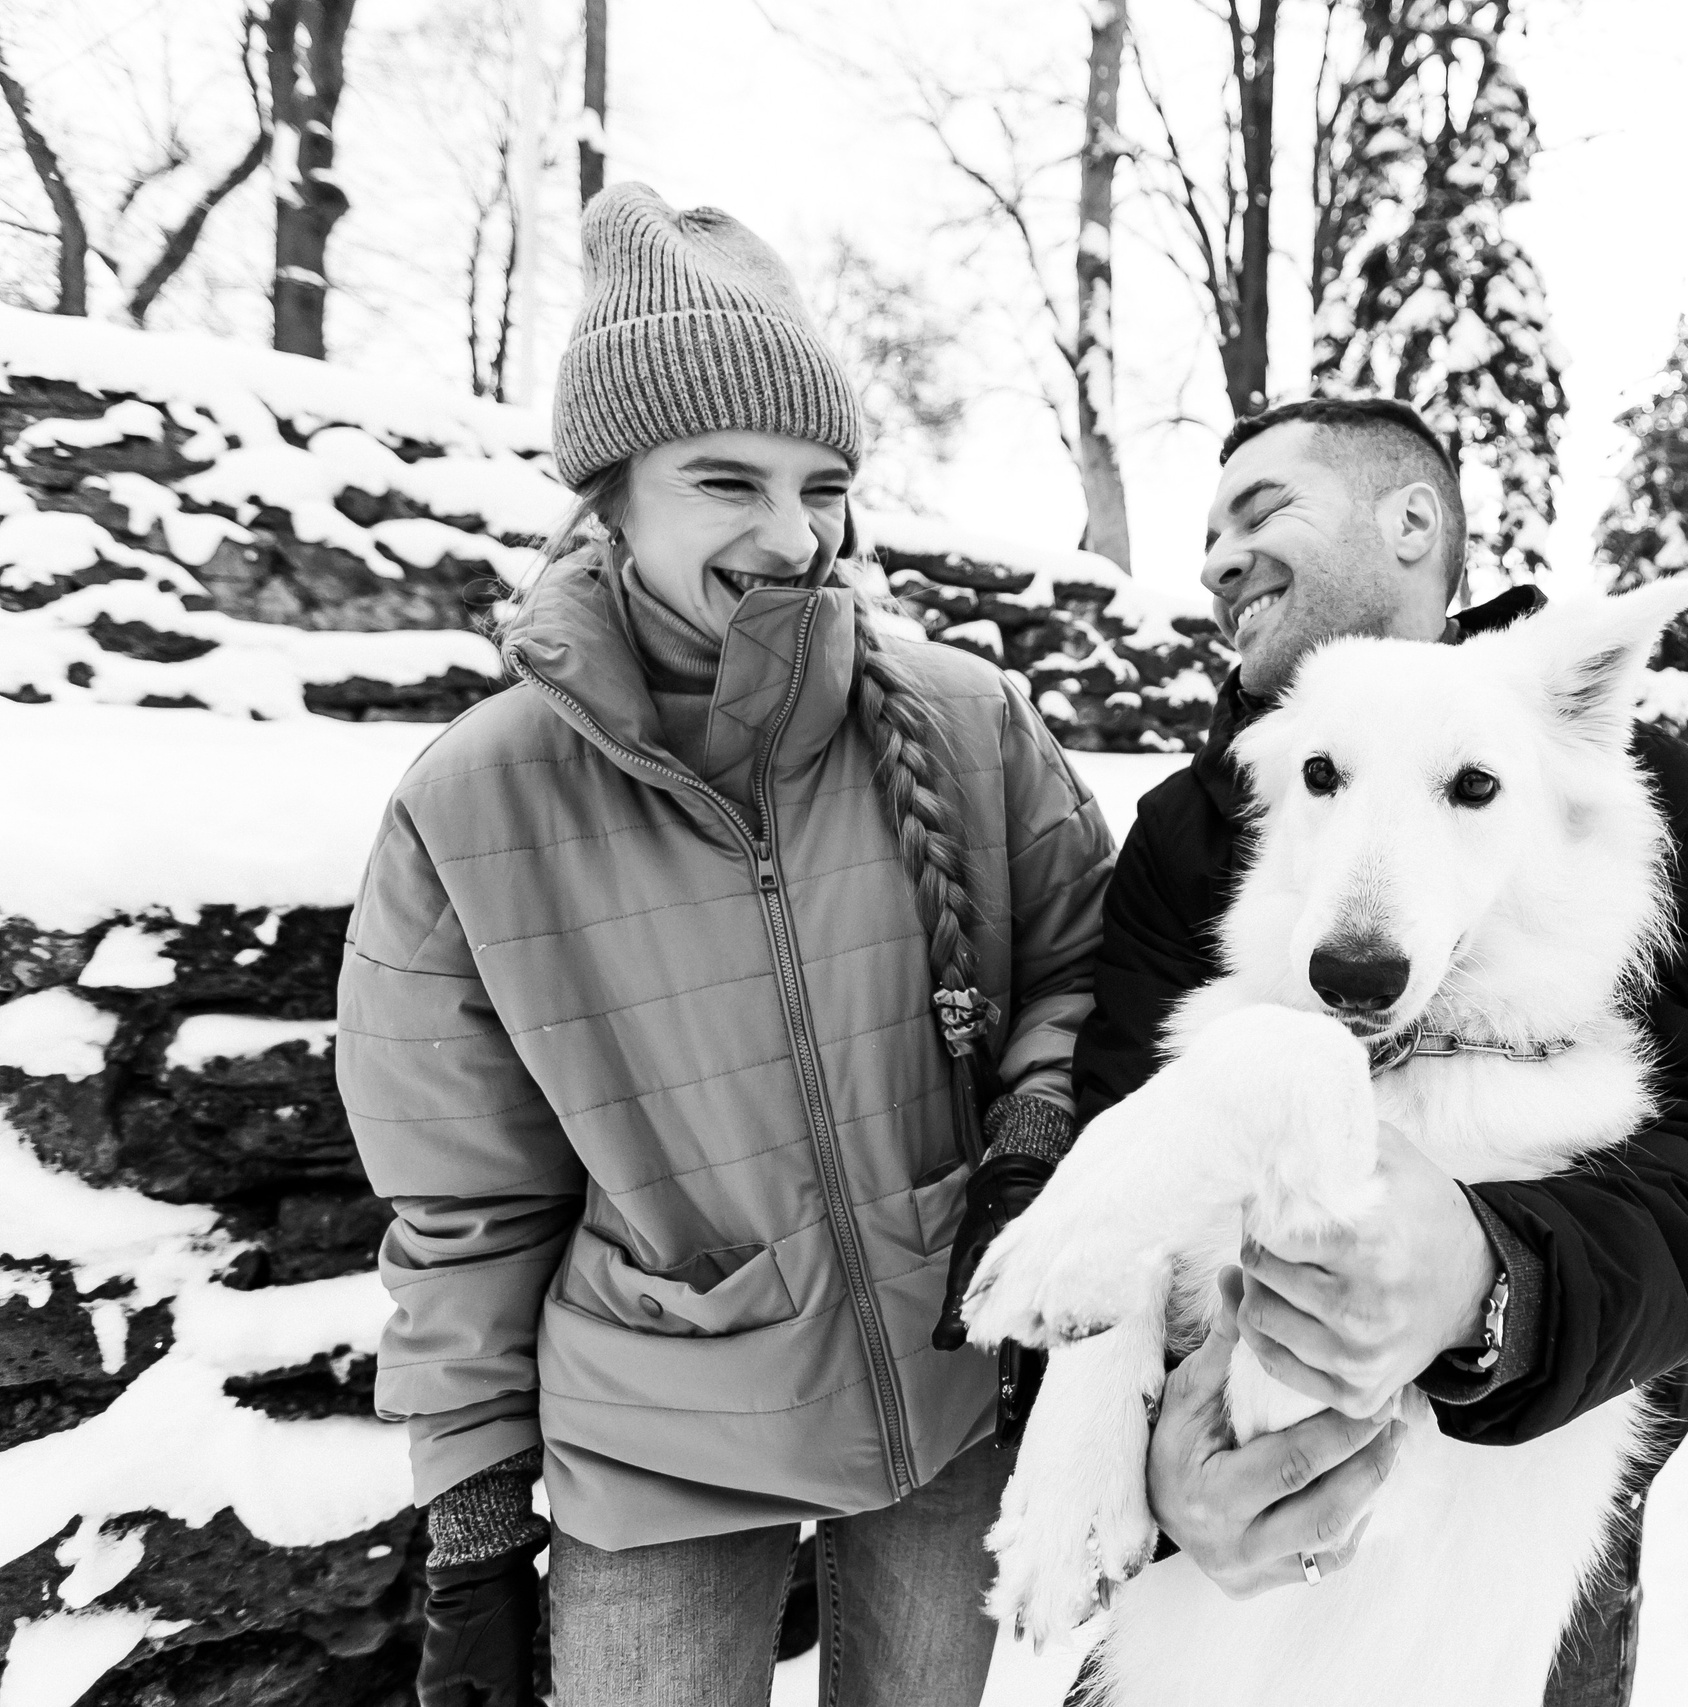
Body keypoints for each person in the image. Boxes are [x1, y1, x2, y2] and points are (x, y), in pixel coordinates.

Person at [337, 183, 1114, 1707]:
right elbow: (465, 1202)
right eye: (724, 480)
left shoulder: (964, 723)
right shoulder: (472, 804)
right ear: (607, 495)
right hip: (655, 1436)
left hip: (945, 1396)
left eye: (820, 483)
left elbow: (1089, 966)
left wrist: (1032, 1129)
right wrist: (478, 1531)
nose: (791, 534)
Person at [1072, 397, 1688, 1705]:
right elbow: (1095, 1167)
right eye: (1208, 534)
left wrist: (1491, 1279)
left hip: (1521, 1513)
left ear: (1414, 522)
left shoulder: (1620, 782)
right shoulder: (1182, 834)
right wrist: (1146, 1457)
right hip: (1215, 1569)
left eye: (1261, 509)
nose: (1220, 557)